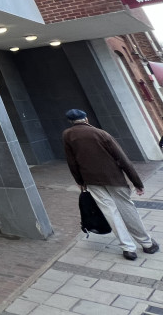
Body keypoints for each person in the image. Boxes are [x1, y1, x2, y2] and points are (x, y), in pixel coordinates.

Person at [62, 108, 157, 260]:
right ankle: (147, 244)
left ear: (70, 122)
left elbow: (72, 162)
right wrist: (136, 182)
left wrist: (80, 182)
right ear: (86, 119)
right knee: (128, 210)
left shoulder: (67, 135)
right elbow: (122, 158)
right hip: (114, 179)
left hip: (91, 180)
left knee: (110, 212)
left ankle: (128, 248)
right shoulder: (101, 133)